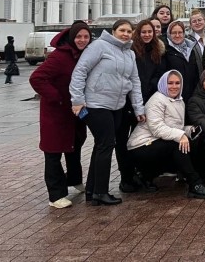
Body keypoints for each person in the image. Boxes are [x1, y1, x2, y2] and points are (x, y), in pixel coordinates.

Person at [70, 19, 145, 205]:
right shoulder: (99, 46)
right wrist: (77, 100)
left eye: (129, 31)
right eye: (122, 30)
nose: (126, 34)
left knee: (101, 145)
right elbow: (80, 71)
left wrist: (138, 108)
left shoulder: (130, 53)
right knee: (107, 144)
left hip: (117, 106)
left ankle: (92, 190)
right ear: (113, 31)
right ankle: (101, 192)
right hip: (96, 104)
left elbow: (135, 82)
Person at [30, 21, 91, 208]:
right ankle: (56, 195)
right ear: (72, 38)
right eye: (78, 37)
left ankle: (74, 179)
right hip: (56, 112)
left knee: (74, 145)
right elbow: (36, 78)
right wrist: (57, 97)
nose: (82, 40)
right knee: (53, 152)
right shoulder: (59, 57)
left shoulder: (84, 55)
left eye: (86, 37)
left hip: (74, 112)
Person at [127, 70, 205, 198]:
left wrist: (189, 130)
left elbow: (175, 127)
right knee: (177, 146)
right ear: (163, 84)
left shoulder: (180, 101)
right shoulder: (157, 100)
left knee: (192, 142)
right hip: (140, 145)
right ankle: (194, 184)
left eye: (177, 83)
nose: (174, 86)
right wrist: (180, 135)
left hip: (157, 142)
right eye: (170, 83)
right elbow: (157, 128)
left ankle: (146, 175)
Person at [115, 19, 166, 193]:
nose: (147, 34)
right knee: (122, 141)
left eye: (149, 31)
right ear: (138, 33)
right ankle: (126, 177)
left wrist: (150, 89)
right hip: (127, 103)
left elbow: (160, 74)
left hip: (148, 102)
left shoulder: (157, 51)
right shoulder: (131, 50)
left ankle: (145, 175)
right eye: (143, 32)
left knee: (145, 141)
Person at [164, 20, 196, 102]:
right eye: (174, 33)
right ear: (169, 34)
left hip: (191, 96)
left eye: (180, 32)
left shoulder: (191, 50)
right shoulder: (165, 52)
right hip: (173, 97)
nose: (177, 35)